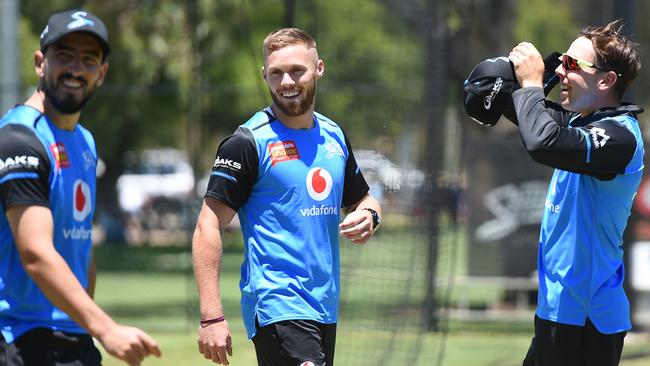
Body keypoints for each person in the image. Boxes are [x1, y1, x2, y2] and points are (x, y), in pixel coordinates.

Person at [192, 27, 382, 366]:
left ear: (319, 69)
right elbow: (208, 226)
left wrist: (369, 217)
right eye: (276, 73)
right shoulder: (247, 142)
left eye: (297, 70)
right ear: (264, 75)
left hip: (324, 306)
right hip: (276, 304)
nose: (287, 82)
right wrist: (211, 316)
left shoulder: (334, 136)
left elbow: (364, 200)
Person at [0, 9, 161, 366]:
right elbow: (35, 254)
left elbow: (80, 245)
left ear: (101, 73)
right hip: (20, 339)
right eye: (64, 56)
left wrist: (86, 325)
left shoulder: (85, 142)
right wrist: (107, 329)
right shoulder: (19, 139)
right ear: (40, 63)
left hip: (73, 337)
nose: (75, 68)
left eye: (88, 59)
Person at [507, 20, 643, 366]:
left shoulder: (620, 136)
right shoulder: (580, 124)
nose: (561, 72)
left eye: (571, 65)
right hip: (560, 311)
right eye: (560, 63)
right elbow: (527, 117)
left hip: (587, 318)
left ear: (606, 79)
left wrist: (535, 84)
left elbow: (541, 141)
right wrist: (499, 88)